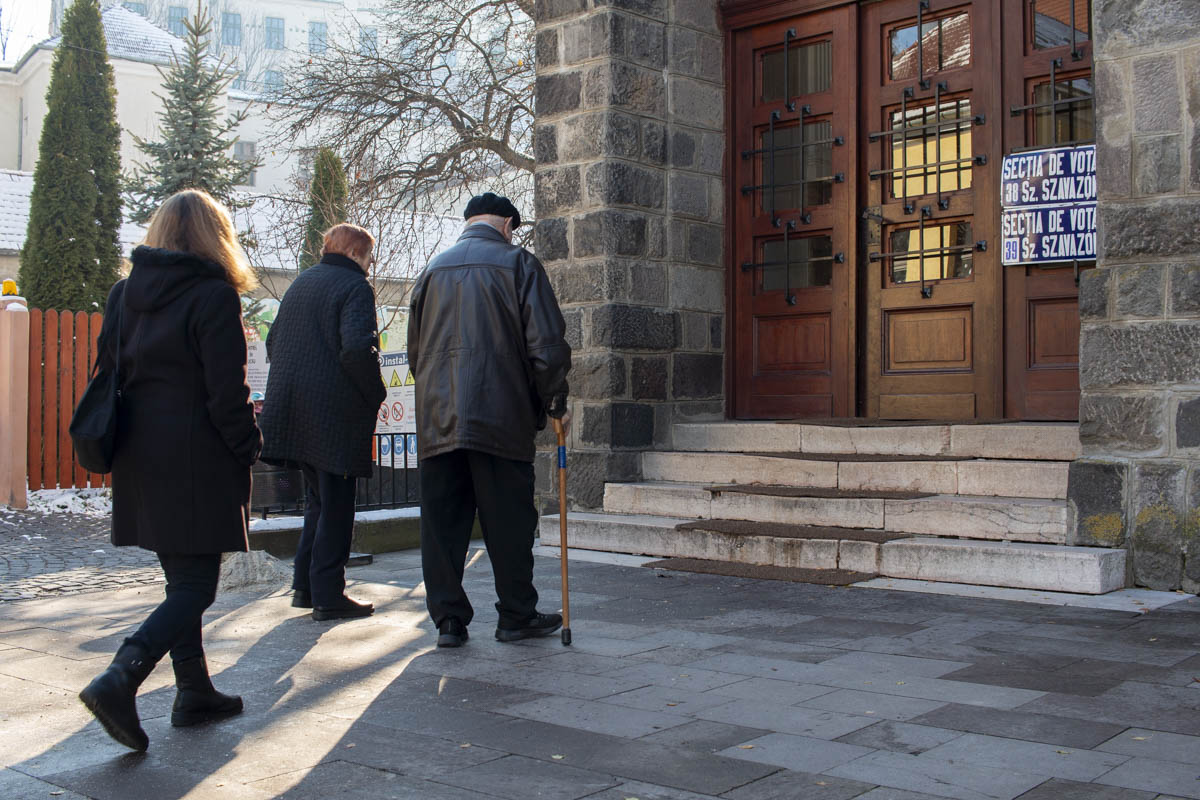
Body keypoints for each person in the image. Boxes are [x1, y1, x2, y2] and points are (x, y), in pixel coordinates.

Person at [78, 189, 262, 752]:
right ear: (216, 236)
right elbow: (226, 392)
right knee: (195, 586)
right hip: (195, 457)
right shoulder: (213, 295)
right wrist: (249, 445)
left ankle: (194, 690)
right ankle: (121, 676)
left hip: (139, 454)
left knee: (180, 579)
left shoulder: (124, 293)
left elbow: (109, 369)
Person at [408, 192, 571, 649]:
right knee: (508, 523)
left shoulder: (432, 269)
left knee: (442, 526)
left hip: (439, 418)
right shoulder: (519, 263)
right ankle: (516, 614)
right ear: (507, 225)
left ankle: (448, 621)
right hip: (500, 417)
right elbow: (547, 346)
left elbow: (417, 353)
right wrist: (554, 400)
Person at [258, 223, 387, 621]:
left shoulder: (302, 283)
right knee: (337, 507)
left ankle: (306, 586)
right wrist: (376, 392)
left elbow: (272, 342)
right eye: (369, 256)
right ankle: (329, 595)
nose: (370, 264)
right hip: (332, 416)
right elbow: (357, 349)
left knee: (319, 501)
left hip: (291, 412)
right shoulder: (354, 287)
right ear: (354, 253)